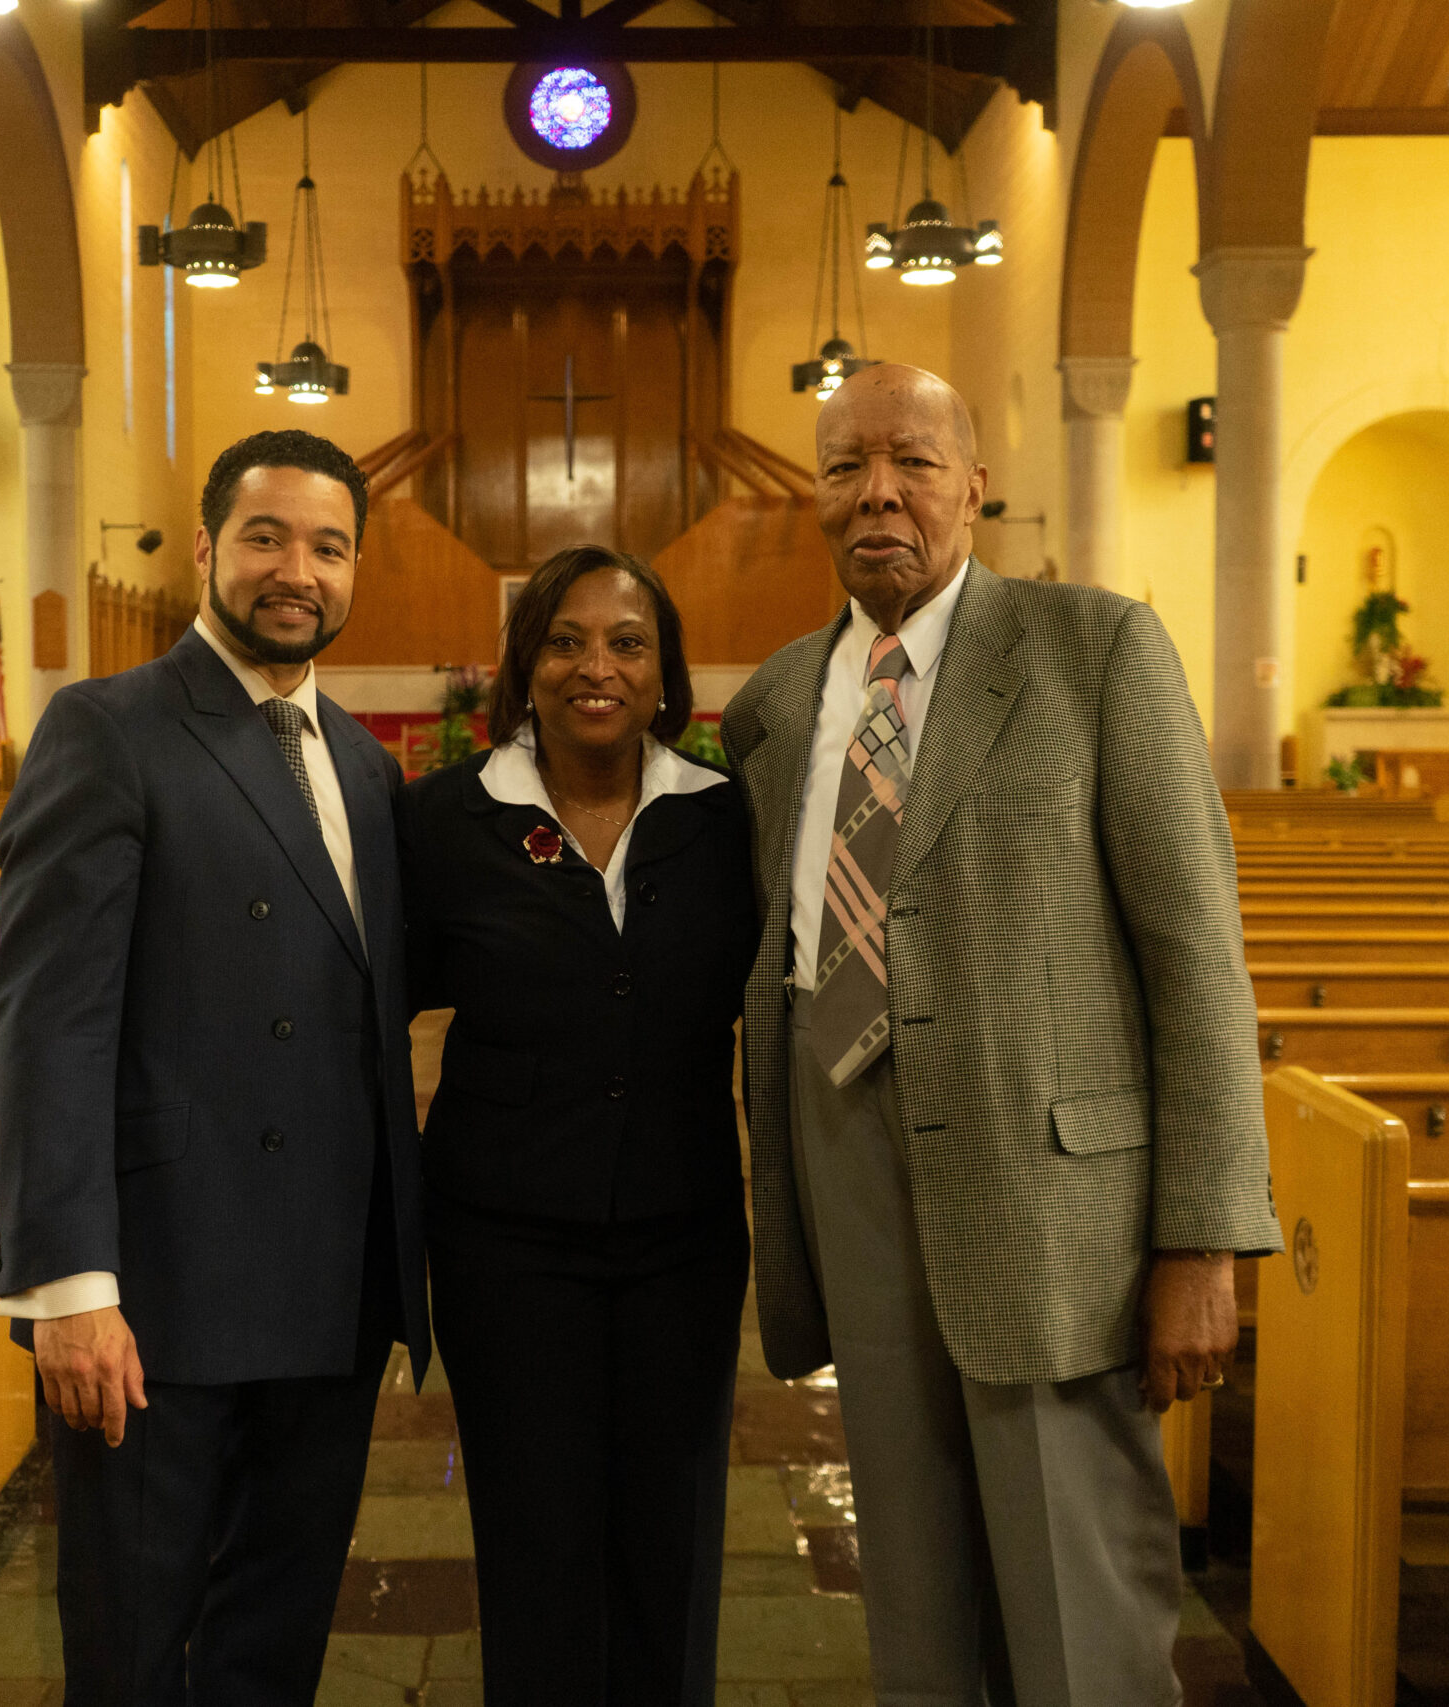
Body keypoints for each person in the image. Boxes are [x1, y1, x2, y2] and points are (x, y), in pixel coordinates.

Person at [720, 365, 1282, 1707]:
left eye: (913, 460)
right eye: (847, 465)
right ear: (816, 497)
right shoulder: (781, 702)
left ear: (975, 482)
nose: (879, 493)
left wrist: (1204, 1235)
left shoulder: (1092, 653)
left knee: (1077, 1610)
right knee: (913, 1595)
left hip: (1050, 1200)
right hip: (848, 1157)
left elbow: (1195, 958)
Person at [0, 428, 430, 1707]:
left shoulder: (361, 761)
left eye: (330, 546)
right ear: (204, 549)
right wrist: (68, 1286)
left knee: (270, 1651)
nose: (299, 570)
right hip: (161, 1300)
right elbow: (49, 1021)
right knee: (129, 1657)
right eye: (268, 537)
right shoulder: (107, 730)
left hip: (332, 1289)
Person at [395, 544, 756, 1707]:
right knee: (534, 1539)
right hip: (505, 1248)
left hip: (682, 1240)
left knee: (672, 1540)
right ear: (523, 664)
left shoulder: (723, 821)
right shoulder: (446, 820)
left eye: (625, 642)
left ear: (665, 675)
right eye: (564, 640)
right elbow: (369, 1007)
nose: (594, 665)